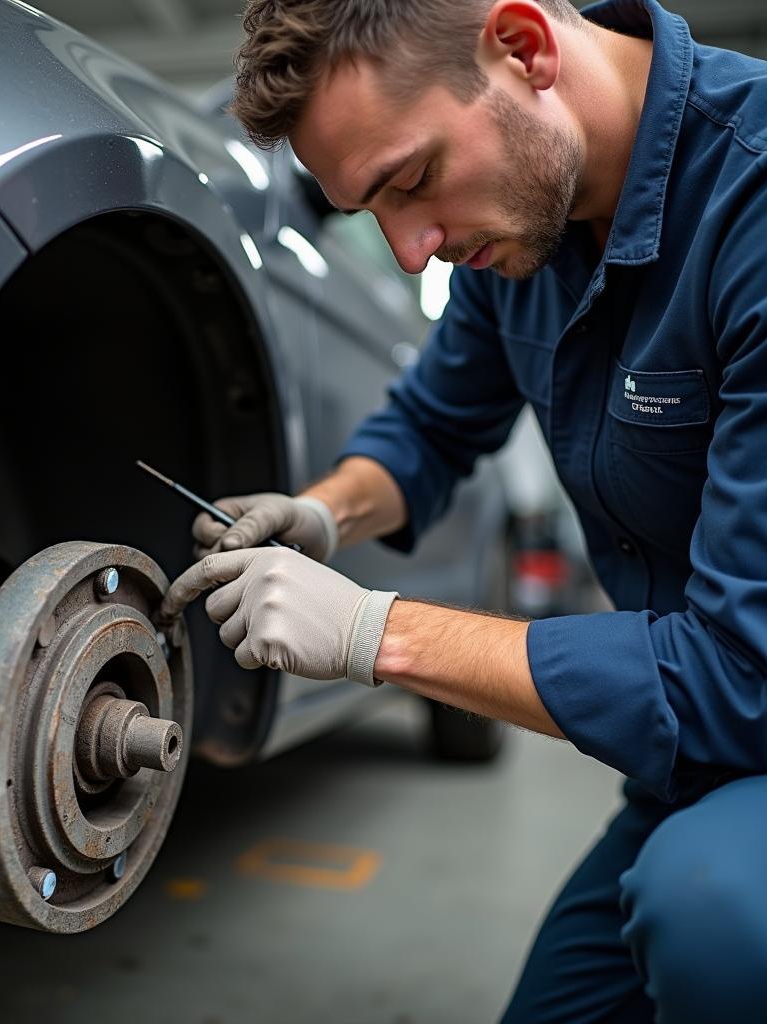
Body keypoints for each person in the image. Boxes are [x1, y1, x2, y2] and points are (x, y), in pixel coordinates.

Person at [157, 1, 767, 1020]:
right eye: (372, 211)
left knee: (710, 913)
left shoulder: (749, 203)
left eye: (411, 180)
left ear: (523, 48)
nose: (410, 251)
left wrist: (370, 632)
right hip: (692, 758)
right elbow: (432, 427)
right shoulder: (525, 221)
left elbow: (740, 674)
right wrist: (317, 515)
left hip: (739, 717)